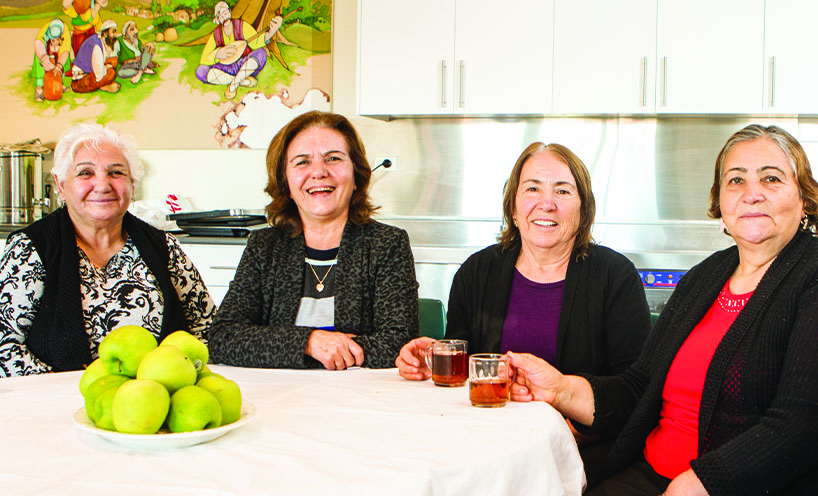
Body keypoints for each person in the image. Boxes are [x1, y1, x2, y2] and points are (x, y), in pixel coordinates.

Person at [508, 124, 818, 495]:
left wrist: (703, 481)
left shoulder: (810, 275)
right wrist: (560, 389)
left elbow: (801, 422)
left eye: (771, 179)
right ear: (720, 203)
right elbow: (639, 388)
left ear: (805, 199)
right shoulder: (705, 277)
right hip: (650, 474)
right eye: (735, 180)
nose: (751, 194)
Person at [396, 142, 650, 381]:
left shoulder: (616, 277)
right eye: (532, 188)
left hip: (575, 428)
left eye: (562, 191)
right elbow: (464, 371)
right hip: (492, 421)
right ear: (513, 207)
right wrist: (432, 357)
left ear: (583, 210)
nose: (547, 204)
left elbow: (632, 387)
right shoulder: (476, 272)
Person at [0, 123, 216, 377]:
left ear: (132, 184)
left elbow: (207, 327)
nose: (102, 185)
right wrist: (70, 391)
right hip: (57, 407)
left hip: (153, 403)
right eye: (85, 173)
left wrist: (179, 379)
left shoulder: (164, 247)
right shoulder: (30, 249)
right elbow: (5, 345)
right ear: (60, 185)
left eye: (116, 173)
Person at [208, 111, 418, 370]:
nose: (319, 172)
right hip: (280, 399)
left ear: (356, 175)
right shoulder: (264, 247)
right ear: (285, 181)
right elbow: (222, 338)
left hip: (359, 399)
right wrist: (309, 342)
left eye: (333, 158)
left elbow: (398, 344)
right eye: (302, 162)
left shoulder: (387, 244)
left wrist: (273, 345)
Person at [195, 1, 283, 99]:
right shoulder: (215, 35)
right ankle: (243, 81)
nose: (224, 16)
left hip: (244, 65)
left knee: (261, 53)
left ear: (229, 11)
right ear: (218, 19)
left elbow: (256, 42)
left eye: (225, 12)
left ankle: (233, 85)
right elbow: (204, 58)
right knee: (201, 71)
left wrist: (271, 32)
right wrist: (217, 54)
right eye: (220, 15)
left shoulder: (242, 26)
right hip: (224, 68)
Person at [71, 19, 120, 94]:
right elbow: (98, 74)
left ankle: (102, 85)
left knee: (114, 61)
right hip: (80, 81)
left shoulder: (100, 39)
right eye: (113, 32)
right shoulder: (97, 46)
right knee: (111, 73)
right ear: (105, 33)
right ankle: (104, 86)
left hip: (90, 72)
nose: (115, 35)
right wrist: (107, 67)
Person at [31, 18, 71, 102]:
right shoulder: (44, 31)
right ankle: (39, 89)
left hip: (59, 53)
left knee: (65, 60)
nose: (55, 42)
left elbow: (65, 50)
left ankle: (60, 83)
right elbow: (39, 43)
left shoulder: (66, 33)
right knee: (39, 61)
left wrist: (59, 65)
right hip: (44, 52)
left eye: (57, 40)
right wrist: (44, 58)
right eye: (53, 40)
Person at [116, 20, 157, 85]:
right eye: (132, 29)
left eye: (136, 28)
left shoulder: (137, 41)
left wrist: (149, 45)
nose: (136, 31)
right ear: (125, 34)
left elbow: (144, 53)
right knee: (121, 73)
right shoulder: (120, 41)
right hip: (128, 65)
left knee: (149, 46)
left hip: (140, 63)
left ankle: (140, 73)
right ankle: (144, 70)